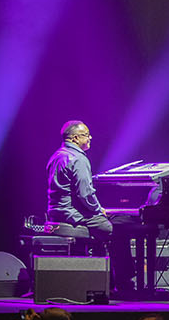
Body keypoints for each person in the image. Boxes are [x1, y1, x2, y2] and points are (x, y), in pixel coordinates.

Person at [46, 120, 134, 291]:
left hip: (56, 212)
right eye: (87, 134)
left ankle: (110, 280)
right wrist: (99, 210)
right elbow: (85, 193)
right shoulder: (78, 158)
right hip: (74, 214)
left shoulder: (57, 155)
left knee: (114, 225)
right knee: (118, 229)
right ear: (76, 138)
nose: (90, 137)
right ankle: (125, 283)